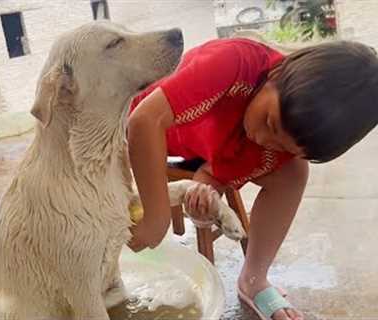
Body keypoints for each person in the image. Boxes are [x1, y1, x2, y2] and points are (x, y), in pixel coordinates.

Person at [126, 38, 378, 320]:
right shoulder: (233, 63)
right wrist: (157, 218)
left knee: (293, 172)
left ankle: (254, 278)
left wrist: (204, 202)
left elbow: (212, 174)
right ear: (277, 73)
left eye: (282, 146)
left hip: (201, 146)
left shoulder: (281, 141)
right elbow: (142, 121)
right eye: (269, 122)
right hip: (139, 125)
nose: (261, 138)